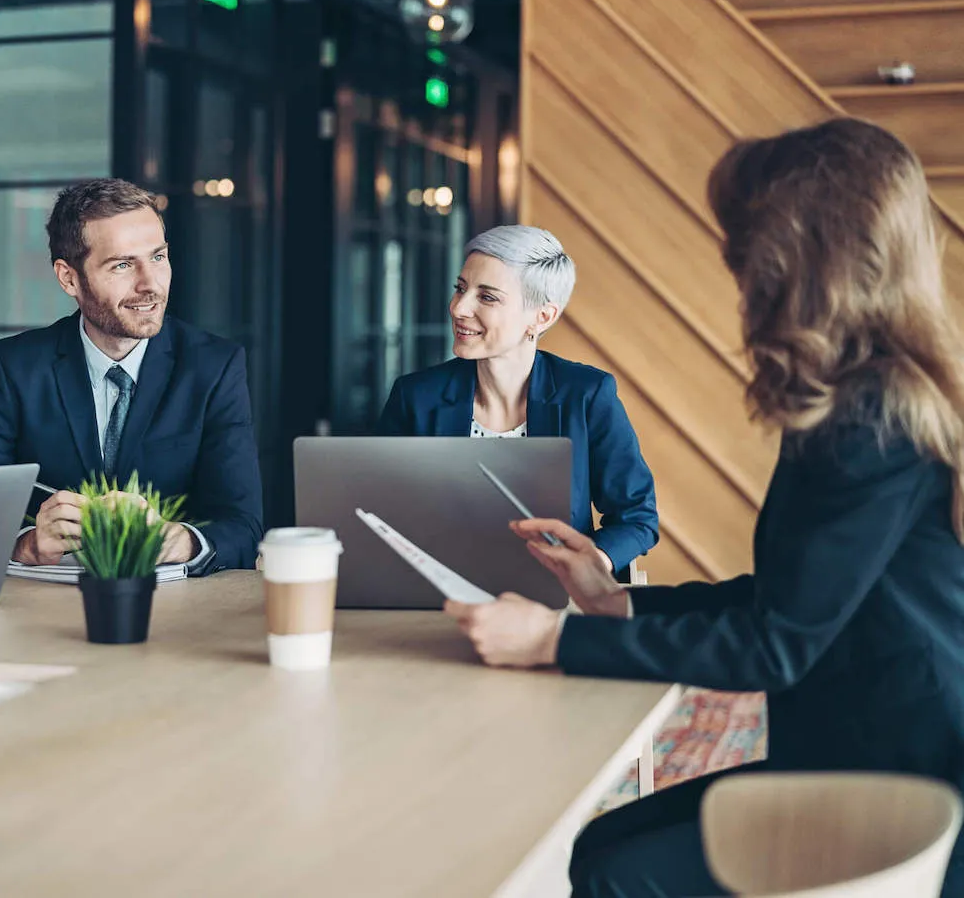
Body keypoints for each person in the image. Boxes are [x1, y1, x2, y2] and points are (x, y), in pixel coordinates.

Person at [446, 118, 964, 897]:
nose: (737, 274)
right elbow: (788, 599)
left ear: (797, 261)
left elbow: (776, 644)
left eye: (745, 253)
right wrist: (616, 603)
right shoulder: (868, 393)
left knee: (614, 869)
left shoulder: (870, 416)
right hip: (861, 741)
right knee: (597, 847)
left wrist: (553, 638)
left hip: (902, 778)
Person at [0, 178, 263, 575]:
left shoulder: (214, 367)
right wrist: (27, 546)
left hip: (177, 612)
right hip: (39, 612)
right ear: (69, 278)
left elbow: (243, 527)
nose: (150, 285)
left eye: (158, 257)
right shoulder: (17, 367)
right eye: (123, 265)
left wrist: (175, 539)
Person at [376, 225, 657, 578]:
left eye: (487, 297)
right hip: (438, 595)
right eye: (460, 289)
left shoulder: (587, 395)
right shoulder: (415, 397)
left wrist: (590, 564)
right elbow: (380, 515)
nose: (459, 308)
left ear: (542, 317)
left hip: (555, 599)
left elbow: (637, 518)